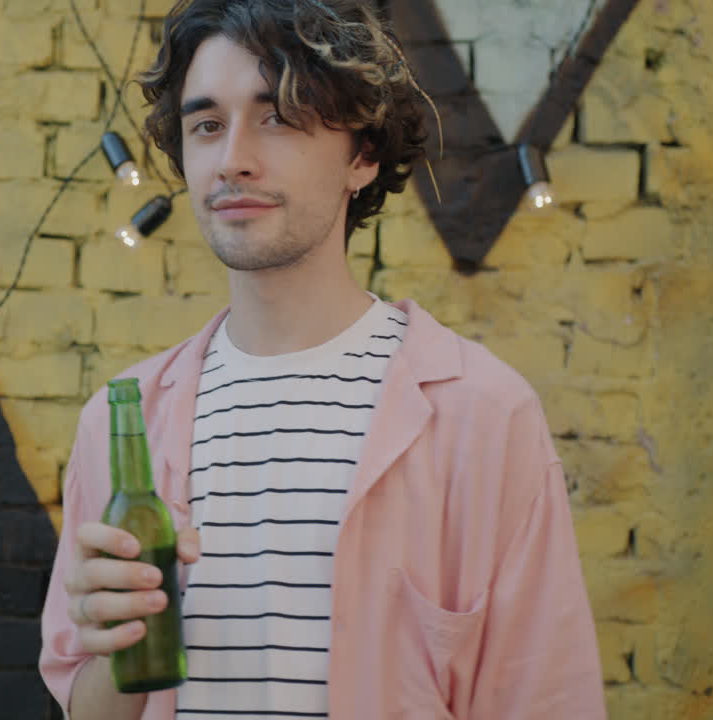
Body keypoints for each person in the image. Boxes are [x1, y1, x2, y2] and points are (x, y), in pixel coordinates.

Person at [40, 1, 607, 718]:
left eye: (278, 116)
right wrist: (116, 648)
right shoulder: (121, 424)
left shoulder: (484, 418)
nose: (233, 158)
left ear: (362, 156)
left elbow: (545, 702)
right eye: (207, 125)